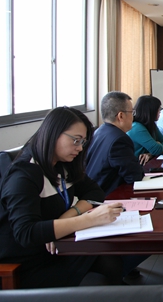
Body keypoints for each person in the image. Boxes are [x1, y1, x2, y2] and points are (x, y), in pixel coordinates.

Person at [0, 107, 125, 288]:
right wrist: (90, 219)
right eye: (76, 140)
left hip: (59, 247)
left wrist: (67, 216)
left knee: (111, 261)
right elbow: (26, 233)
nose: (80, 148)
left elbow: (95, 192)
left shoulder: (62, 165)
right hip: (28, 263)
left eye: (83, 142)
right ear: (53, 133)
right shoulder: (23, 175)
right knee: (98, 281)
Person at [86, 91, 144, 195]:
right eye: (132, 112)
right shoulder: (120, 139)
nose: (133, 116)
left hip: (92, 192)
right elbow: (135, 176)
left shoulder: (99, 131)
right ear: (121, 116)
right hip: (108, 197)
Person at [127, 95, 163, 165]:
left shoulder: (151, 124)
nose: (160, 112)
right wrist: (157, 145)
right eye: (158, 109)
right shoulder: (137, 127)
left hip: (148, 163)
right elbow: (157, 149)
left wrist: (151, 153)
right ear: (151, 111)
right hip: (137, 165)